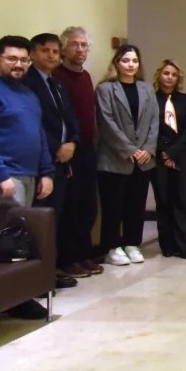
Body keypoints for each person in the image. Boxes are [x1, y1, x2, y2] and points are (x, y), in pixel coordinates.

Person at [0, 36, 56, 319]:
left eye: (23, 60)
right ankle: (14, 300)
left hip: (28, 173)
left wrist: (47, 171)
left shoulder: (28, 94)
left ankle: (18, 294)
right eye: (12, 59)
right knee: (14, 235)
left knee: (20, 234)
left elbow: (39, 135)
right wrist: (1, 175)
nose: (18, 64)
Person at [24, 33, 80, 289]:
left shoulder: (57, 83)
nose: (51, 55)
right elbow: (33, 123)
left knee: (54, 217)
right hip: (42, 159)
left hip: (63, 158)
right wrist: (57, 147)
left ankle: (50, 269)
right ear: (33, 53)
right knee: (40, 220)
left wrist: (72, 143)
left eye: (56, 51)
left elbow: (70, 117)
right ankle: (38, 275)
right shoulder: (27, 83)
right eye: (45, 50)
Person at [95, 44, 158, 266]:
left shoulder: (147, 89)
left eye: (134, 61)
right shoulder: (105, 89)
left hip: (143, 160)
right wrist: (128, 149)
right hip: (114, 159)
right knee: (113, 206)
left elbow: (154, 121)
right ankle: (112, 247)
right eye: (125, 60)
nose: (131, 65)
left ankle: (132, 243)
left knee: (136, 205)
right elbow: (106, 122)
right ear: (117, 63)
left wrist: (148, 149)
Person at [53, 26, 103, 277]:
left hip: (87, 149)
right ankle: (68, 258)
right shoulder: (57, 77)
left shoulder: (86, 77)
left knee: (87, 206)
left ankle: (84, 254)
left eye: (84, 45)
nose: (80, 49)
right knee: (70, 207)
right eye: (74, 44)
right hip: (67, 149)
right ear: (63, 49)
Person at [151, 60, 186, 259]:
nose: (170, 77)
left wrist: (174, 152)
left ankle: (182, 246)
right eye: (166, 73)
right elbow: (150, 128)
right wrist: (164, 152)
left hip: (183, 156)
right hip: (159, 156)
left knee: (182, 200)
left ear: (178, 79)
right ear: (159, 75)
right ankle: (167, 246)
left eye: (174, 74)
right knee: (163, 200)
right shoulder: (151, 100)